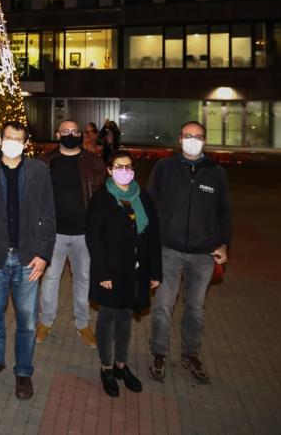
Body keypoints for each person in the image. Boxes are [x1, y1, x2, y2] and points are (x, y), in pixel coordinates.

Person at [0, 120, 56, 401]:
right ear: (0, 139)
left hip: (28, 258)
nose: (13, 142)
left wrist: (44, 254)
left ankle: (24, 372)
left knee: (28, 321)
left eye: (18, 138)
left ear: (26, 142)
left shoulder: (39, 171)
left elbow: (48, 215)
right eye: (8, 137)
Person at [147, 120, 232, 384]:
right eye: (187, 135)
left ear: (205, 140)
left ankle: (190, 353)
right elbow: (150, 204)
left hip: (202, 254)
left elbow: (224, 212)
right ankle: (159, 353)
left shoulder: (215, 172)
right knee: (162, 306)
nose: (192, 140)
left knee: (195, 308)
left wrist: (223, 243)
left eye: (197, 136)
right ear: (179, 139)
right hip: (168, 250)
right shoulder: (165, 168)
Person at [86, 151, 162, 397]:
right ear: (109, 169)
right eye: (119, 166)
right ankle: (106, 367)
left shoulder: (144, 198)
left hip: (136, 272)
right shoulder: (101, 199)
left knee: (126, 317)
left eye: (128, 166)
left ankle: (121, 365)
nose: (124, 170)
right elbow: (94, 240)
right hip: (110, 271)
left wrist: (154, 271)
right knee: (108, 317)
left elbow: (153, 237)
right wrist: (102, 273)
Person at [36, 119, 106, 348]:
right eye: (65, 131)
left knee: (83, 279)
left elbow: (102, 196)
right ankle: (45, 321)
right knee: (50, 278)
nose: (70, 134)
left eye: (75, 131)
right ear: (58, 134)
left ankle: (83, 323)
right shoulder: (46, 160)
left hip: (84, 234)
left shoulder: (93, 162)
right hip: (53, 234)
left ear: (81, 135)